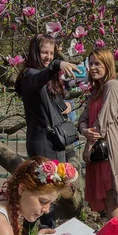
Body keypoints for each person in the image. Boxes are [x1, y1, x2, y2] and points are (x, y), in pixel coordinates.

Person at [78, 48, 118, 218]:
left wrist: (89, 146)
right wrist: (84, 130)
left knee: (113, 202)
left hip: (111, 153)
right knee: (108, 205)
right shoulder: (95, 92)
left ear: (107, 65)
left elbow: (104, 120)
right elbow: (82, 119)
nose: (92, 67)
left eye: (97, 64)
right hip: (100, 155)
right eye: (90, 63)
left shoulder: (112, 85)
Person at [16, 34, 79, 162]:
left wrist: (67, 105)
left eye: (51, 53)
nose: (48, 57)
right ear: (35, 53)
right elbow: (39, 78)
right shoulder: (30, 75)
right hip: (42, 142)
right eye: (44, 52)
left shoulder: (49, 77)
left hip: (57, 139)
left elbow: (55, 101)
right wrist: (56, 64)